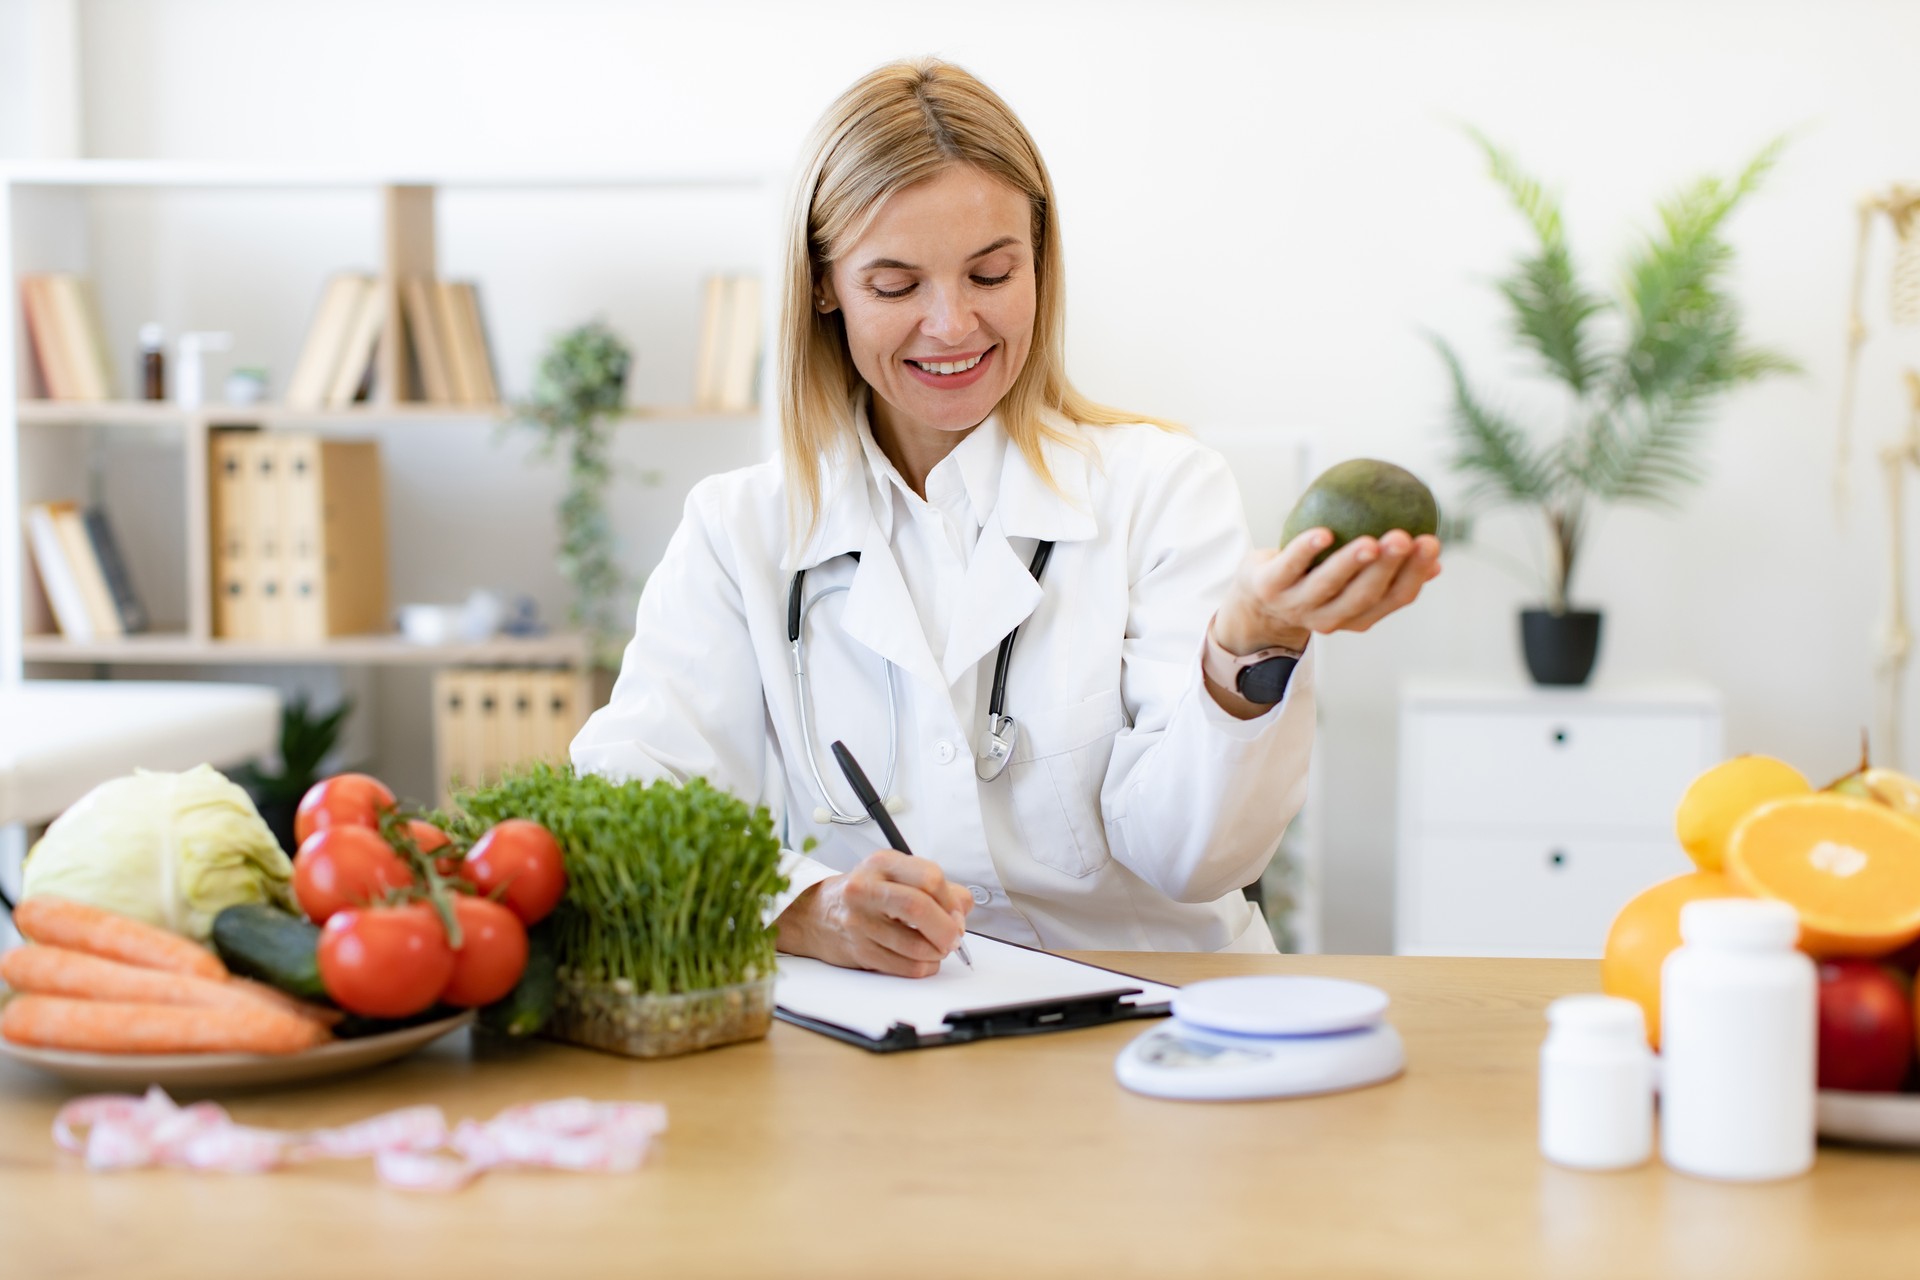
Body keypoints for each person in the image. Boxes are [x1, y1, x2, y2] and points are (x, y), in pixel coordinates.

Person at [572, 57, 1441, 976]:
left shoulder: (1160, 489)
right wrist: (802, 908)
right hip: (872, 1043)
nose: (951, 326)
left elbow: (1194, 859)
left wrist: (1250, 646)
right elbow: (631, 798)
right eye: (895, 286)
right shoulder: (737, 529)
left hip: (1146, 1025)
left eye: (991, 273)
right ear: (824, 285)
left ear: (1039, 262)